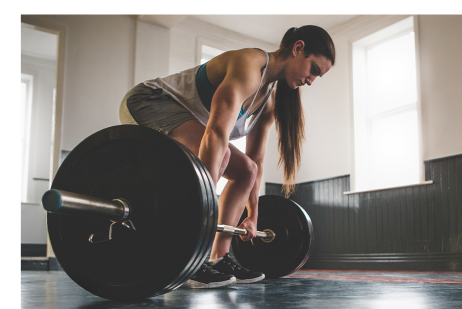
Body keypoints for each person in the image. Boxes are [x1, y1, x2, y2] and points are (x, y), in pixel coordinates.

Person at [118, 25, 335, 288]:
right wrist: (204, 206)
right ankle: (189, 258)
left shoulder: (268, 101)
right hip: (148, 101)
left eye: (317, 77)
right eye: (313, 69)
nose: (311, 80)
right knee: (217, 159)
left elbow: (255, 161)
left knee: (246, 170)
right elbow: (216, 134)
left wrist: (253, 213)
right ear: (298, 48)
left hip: (189, 124)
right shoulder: (249, 65)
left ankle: (218, 258)